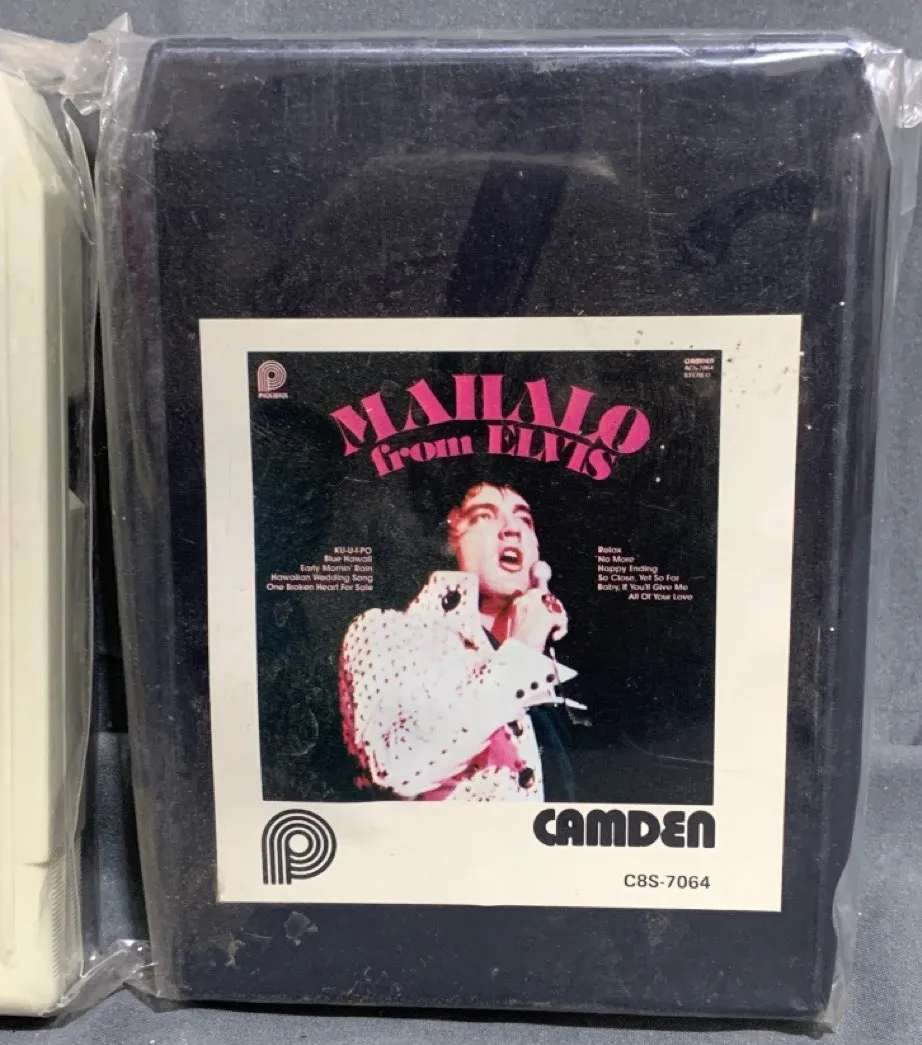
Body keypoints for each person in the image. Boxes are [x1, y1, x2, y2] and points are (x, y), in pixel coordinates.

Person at [338, 481, 580, 801]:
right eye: (483, 516)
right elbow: (395, 766)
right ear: (449, 541)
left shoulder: (554, 676)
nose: (512, 530)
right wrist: (521, 652)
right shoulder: (387, 631)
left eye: (524, 519)